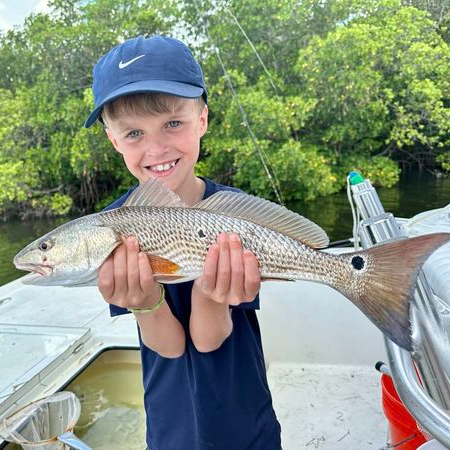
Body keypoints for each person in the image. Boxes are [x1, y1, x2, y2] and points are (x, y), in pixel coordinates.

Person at [84, 35, 281, 450]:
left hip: (247, 423)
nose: (156, 148)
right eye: (134, 133)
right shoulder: (112, 230)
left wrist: (212, 297)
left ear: (203, 120)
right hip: (170, 427)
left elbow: (209, 340)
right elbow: (169, 347)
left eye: (173, 123)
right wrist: (145, 303)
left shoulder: (236, 215)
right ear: (113, 139)